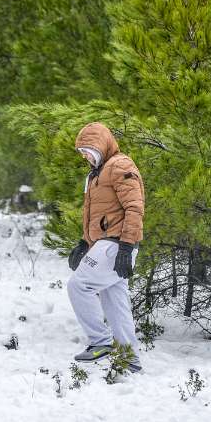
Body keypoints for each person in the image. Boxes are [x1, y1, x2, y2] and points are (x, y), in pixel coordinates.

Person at [66, 122, 145, 373]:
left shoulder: (120, 165)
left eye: (88, 150)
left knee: (78, 285)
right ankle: (129, 359)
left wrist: (126, 246)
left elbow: (134, 208)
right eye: (82, 152)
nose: (85, 156)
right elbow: (97, 214)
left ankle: (100, 342)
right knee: (115, 300)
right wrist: (83, 242)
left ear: (101, 146)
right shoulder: (97, 173)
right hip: (105, 243)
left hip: (116, 244)